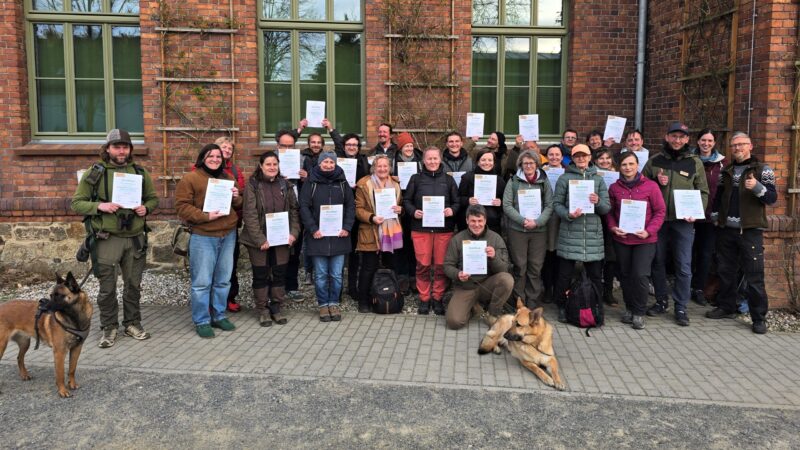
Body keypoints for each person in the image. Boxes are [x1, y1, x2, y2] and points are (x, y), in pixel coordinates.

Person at [71, 129, 158, 348]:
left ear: (130, 150)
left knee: (133, 285)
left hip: (135, 238)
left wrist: (145, 208)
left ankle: (132, 323)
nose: (121, 151)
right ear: (107, 149)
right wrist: (100, 206)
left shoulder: (139, 172)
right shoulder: (95, 173)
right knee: (107, 288)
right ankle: (109, 327)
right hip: (107, 239)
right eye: (117, 146)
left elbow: (153, 199)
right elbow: (77, 203)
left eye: (125, 147)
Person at [706, 132, 777, 334]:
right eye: (734, 145)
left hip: (750, 231)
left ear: (750, 146)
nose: (737, 148)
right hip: (726, 230)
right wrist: (716, 217)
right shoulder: (726, 170)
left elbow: (772, 198)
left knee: (754, 276)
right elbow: (719, 196)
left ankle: (758, 318)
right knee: (725, 271)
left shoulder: (763, 170)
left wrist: (756, 187)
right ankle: (727, 307)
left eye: (741, 145)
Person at [641, 121, 709, 326]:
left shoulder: (695, 162)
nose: (677, 140)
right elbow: (642, 186)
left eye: (681, 137)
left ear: (687, 139)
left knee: (683, 265)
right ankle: (661, 300)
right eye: (674, 136)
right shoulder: (655, 161)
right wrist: (655, 183)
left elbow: (703, 191)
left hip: (683, 222)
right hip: (659, 221)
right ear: (667, 137)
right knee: (658, 262)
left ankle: (681, 305)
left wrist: (697, 213)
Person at [175, 144, 242, 338]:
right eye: (210, 156)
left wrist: (237, 197)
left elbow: (238, 204)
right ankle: (202, 320)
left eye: (218, 157)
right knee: (202, 282)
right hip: (203, 235)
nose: (215, 159)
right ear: (202, 158)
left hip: (227, 234)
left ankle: (219, 315)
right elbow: (181, 206)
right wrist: (205, 216)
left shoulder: (228, 178)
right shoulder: (191, 178)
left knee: (223, 280)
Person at [605, 152, 666, 330]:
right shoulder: (614, 188)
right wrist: (613, 227)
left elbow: (660, 212)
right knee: (625, 275)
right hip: (622, 239)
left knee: (640, 275)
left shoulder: (651, 186)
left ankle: (639, 312)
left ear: (637, 165)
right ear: (619, 167)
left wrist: (649, 231)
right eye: (624, 164)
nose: (628, 168)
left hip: (645, 240)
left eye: (631, 164)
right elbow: (609, 212)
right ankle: (630, 308)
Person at [240, 151, 301, 327]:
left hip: (282, 238)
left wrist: (293, 234)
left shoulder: (286, 184)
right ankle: (262, 309)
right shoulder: (253, 185)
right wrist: (260, 239)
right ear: (261, 166)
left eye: (275, 164)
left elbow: (294, 211)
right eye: (268, 164)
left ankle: (276, 307)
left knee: (279, 273)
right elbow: (249, 214)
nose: (272, 167)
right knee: (261, 274)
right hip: (258, 240)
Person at [552, 144, 611, 322]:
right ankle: (562, 306)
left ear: (589, 157)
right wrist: (568, 214)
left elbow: (606, 208)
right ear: (572, 158)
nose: (581, 159)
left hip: (592, 235)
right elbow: (557, 204)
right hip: (570, 233)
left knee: (595, 276)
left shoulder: (598, 180)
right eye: (577, 156)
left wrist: (598, 200)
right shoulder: (564, 178)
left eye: (584, 156)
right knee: (564, 276)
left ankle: (596, 307)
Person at [299, 151, 356, 322]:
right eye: (326, 162)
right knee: (322, 274)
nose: (329, 165)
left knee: (337, 274)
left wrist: (347, 227)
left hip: (339, 236)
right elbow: (304, 206)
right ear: (320, 163)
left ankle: (334, 303)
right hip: (318, 236)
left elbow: (350, 206)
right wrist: (312, 228)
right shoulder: (311, 182)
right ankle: (323, 304)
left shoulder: (342, 182)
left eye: (332, 162)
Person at [403, 146, 461, 315]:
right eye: (429, 159)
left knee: (441, 265)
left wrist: (452, 210)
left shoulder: (449, 180)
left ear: (440, 159)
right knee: (423, 265)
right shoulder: (416, 179)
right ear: (424, 161)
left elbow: (457, 202)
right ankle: (424, 298)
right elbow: (406, 200)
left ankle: (437, 297)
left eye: (435, 158)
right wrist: (414, 212)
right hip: (421, 229)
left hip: (444, 230)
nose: (432, 162)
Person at [443, 205, 513, 329]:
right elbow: (447, 265)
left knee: (507, 280)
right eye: (473, 221)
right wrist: (458, 274)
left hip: (487, 285)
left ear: (485, 220)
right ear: (467, 221)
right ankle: (473, 308)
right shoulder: (457, 239)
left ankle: (493, 313)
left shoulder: (496, 238)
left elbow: (504, 269)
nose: (477, 224)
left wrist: (494, 257)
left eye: (480, 221)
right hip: (466, 286)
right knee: (454, 322)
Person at [502, 150, 553, 308]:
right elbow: (507, 205)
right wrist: (522, 220)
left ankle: (532, 300)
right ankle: (519, 300)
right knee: (520, 266)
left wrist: (537, 222)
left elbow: (549, 205)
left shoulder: (544, 181)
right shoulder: (514, 181)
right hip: (518, 230)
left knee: (535, 267)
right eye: (525, 163)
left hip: (538, 231)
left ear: (537, 164)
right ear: (520, 165)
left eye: (531, 163)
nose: (529, 166)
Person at [354, 154, 404, 312]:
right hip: (370, 230)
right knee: (368, 267)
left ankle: (389, 297)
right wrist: (371, 217)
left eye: (385, 166)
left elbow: (400, 205)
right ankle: (363, 300)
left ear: (389, 168)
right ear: (373, 168)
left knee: (391, 265)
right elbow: (358, 209)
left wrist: (400, 209)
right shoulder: (364, 184)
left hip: (391, 231)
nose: (382, 169)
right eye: (379, 166)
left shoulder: (395, 184)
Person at [690, 129, 725, 305]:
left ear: (714, 143)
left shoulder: (722, 164)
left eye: (710, 141)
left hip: (710, 217)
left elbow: (724, 191)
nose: (706, 144)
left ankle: (698, 288)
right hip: (688, 215)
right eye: (703, 140)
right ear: (697, 141)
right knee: (687, 253)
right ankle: (685, 285)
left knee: (705, 254)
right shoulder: (688, 160)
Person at [336, 133, 371, 301]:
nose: (352, 147)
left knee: (355, 252)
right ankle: (337, 289)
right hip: (339, 211)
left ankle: (352, 287)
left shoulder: (363, 161)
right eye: (349, 144)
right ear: (344, 146)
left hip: (357, 209)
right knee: (339, 251)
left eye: (355, 145)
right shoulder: (336, 161)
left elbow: (371, 179)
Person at [214, 136, 246, 313]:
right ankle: (212, 301)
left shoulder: (234, 170)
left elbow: (241, 193)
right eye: (223, 147)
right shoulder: (201, 169)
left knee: (230, 263)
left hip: (230, 224)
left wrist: (236, 194)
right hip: (209, 224)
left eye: (229, 149)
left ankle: (230, 297)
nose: (226, 151)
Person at [275, 129, 307, 302]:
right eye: (283, 146)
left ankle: (292, 286)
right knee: (276, 252)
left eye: (290, 146)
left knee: (294, 251)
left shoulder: (302, 160)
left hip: (297, 214)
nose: (287, 149)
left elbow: (311, 186)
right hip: (277, 216)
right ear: (277, 145)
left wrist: (305, 177)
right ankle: (276, 288)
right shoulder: (270, 162)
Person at [391, 132, 422, 294]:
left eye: (410, 145)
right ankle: (401, 276)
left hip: (414, 206)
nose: (409, 148)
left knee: (412, 242)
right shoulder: (393, 161)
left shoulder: (420, 161)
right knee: (399, 242)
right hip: (396, 205)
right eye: (406, 146)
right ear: (401, 148)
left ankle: (413, 276)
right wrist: (392, 178)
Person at [457, 148, 506, 234]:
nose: (487, 163)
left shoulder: (499, 181)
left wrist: (500, 202)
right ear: (477, 161)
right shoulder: (467, 178)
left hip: (492, 224)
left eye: (490, 160)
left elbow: (506, 203)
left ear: (494, 162)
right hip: (470, 224)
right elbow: (458, 199)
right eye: (483, 160)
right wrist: (468, 200)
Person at [593, 147, 619, 305]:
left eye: (607, 158)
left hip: (613, 219)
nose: (604, 161)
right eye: (601, 158)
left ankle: (608, 291)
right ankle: (595, 291)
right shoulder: (591, 176)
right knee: (596, 258)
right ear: (595, 160)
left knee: (611, 257)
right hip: (596, 218)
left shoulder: (618, 175)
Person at [541, 144, 566, 302]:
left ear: (562, 157)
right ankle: (547, 288)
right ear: (546, 156)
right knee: (548, 254)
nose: (554, 157)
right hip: (547, 218)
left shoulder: (568, 172)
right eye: (551, 154)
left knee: (560, 254)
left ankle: (559, 288)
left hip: (563, 217)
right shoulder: (540, 172)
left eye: (557, 155)